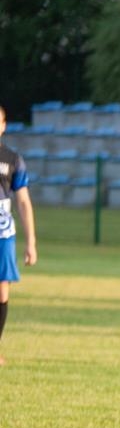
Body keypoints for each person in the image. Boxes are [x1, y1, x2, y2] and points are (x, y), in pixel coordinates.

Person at [0, 105, 39, 367]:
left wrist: (31, 242)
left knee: (2, 293)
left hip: (3, 233)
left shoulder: (13, 159)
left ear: (3, 125)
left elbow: (23, 201)